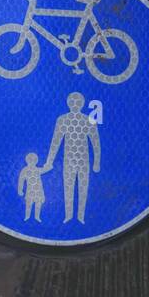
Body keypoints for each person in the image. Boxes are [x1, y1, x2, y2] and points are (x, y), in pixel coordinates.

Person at [42, 92, 101, 223]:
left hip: (84, 160)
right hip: (68, 159)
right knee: (68, 186)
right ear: (68, 103)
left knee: (83, 187)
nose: (75, 105)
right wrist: (49, 161)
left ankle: (81, 216)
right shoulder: (62, 120)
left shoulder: (88, 120)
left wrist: (96, 162)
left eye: (78, 102)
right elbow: (55, 142)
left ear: (82, 104)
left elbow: (95, 142)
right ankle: (68, 216)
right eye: (72, 102)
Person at [17, 152, 48, 222]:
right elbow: (21, 180)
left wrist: (49, 166)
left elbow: (44, 170)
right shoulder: (24, 170)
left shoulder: (37, 169)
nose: (32, 162)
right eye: (30, 160)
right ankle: (27, 216)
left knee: (38, 203)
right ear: (27, 160)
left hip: (38, 190)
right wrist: (20, 190)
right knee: (29, 203)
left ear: (36, 161)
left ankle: (37, 217)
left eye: (34, 160)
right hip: (30, 190)